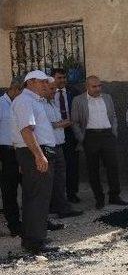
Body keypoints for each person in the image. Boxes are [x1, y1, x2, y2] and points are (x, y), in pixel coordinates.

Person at [12, 70, 59, 254]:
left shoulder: (32, 101)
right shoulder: (25, 101)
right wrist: (39, 155)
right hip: (35, 153)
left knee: (36, 196)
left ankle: (33, 239)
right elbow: (26, 131)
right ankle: (36, 242)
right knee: (37, 197)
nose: (46, 85)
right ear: (30, 82)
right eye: (42, 82)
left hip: (33, 153)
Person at [71, 76, 128, 209]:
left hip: (107, 135)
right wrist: (82, 139)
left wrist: (114, 132)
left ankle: (114, 195)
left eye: (99, 86)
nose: (98, 89)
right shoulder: (78, 100)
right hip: (90, 137)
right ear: (87, 87)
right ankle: (99, 198)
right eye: (94, 86)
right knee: (93, 169)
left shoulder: (107, 97)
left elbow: (113, 116)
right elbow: (75, 122)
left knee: (113, 167)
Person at [43, 79, 83, 218]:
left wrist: (61, 124)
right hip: (49, 146)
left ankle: (60, 206)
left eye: (54, 89)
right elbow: (44, 124)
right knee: (53, 179)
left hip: (59, 144)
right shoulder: (41, 105)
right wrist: (60, 124)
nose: (54, 91)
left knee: (59, 178)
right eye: (51, 89)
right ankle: (58, 207)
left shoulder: (52, 103)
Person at [51, 68, 81, 203]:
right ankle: (57, 196)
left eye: (64, 77)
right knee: (56, 166)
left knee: (72, 164)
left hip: (70, 133)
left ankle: (72, 193)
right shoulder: (48, 93)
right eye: (59, 78)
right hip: (53, 133)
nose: (62, 80)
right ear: (53, 78)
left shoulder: (73, 92)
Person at [0, 79, 22, 236]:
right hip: (6, 153)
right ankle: (14, 225)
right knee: (9, 190)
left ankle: (36, 221)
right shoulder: (1, 104)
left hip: (22, 151)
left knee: (30, 187)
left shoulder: (21, 104)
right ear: (15, 89)